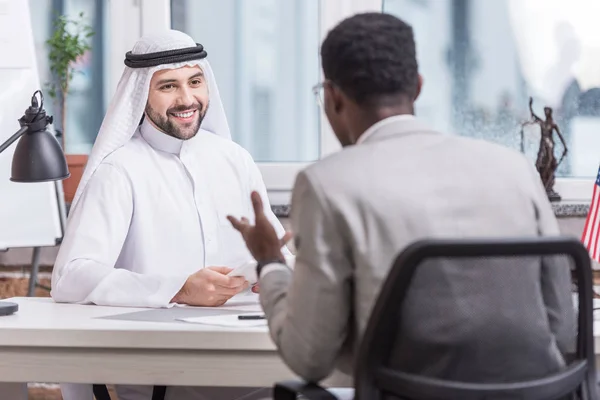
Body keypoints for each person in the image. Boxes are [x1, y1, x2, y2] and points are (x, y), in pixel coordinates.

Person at [229, 12, 575, 393]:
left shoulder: (327, 184)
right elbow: (562, 332)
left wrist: (270, 263)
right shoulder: (515, 168)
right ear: (419, 87)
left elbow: (310, 357)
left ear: (332, 97)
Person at [51, 29, 288, 400]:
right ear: (140, 93)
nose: (186, 98)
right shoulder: (120, 171)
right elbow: (71, 277)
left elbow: (276, 251)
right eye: (168, 86)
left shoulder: (234, 159)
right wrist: (178, 289)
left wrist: (272, 271)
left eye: (195, 81)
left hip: (255, 368)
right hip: (165, 378)